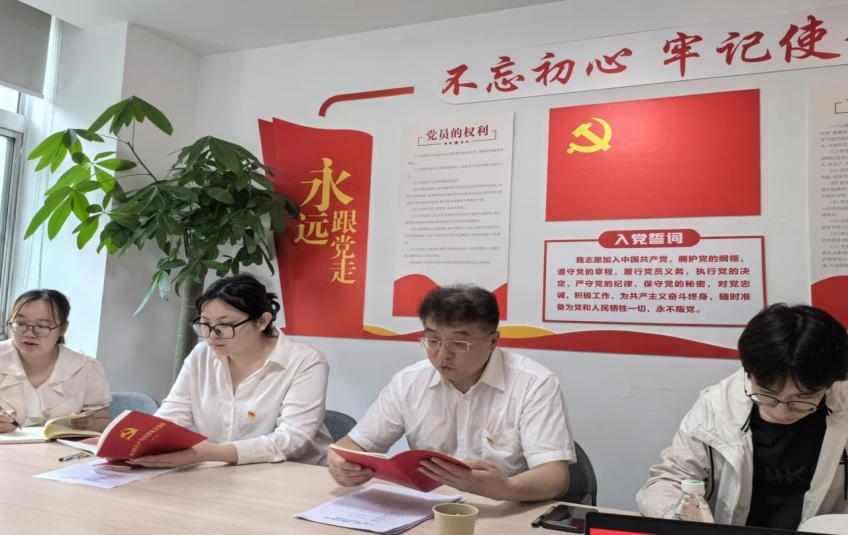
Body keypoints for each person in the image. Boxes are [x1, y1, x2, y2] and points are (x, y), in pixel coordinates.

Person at [328, 284, 575, 501]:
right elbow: (350, 446)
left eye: (459, 343)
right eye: (433, 341)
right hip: (430, 507)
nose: (443, 354)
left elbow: (555, 477)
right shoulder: (409, 381)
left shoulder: (534, 384)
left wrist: (506, 488)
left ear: (493, 341)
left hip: (505, 509)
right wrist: (340, 464)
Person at [636, 304, 848, 528]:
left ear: (831, 383)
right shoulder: (717, 407)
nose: (781, 412)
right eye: (768, 395)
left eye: (802, 399)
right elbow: (668, 479)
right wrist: (679, 518)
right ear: (749, 373)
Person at [130, 273, 331, 468]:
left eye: (225, 325)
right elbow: (173, 412)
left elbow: (292, 438)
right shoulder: (202, 355)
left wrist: (209, 453)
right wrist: (142, 441)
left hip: (294, 474)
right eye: (205, 324)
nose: (211, 336)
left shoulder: (304, 360)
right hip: (222, 471)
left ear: (262, 321)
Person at [0, 289, 112, 433]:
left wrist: (89, 424)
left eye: (42, 326)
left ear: (63, 329)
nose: (29, 333)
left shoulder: (85, 368)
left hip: (61, 447)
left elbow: (104, 421)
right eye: (20, 323)